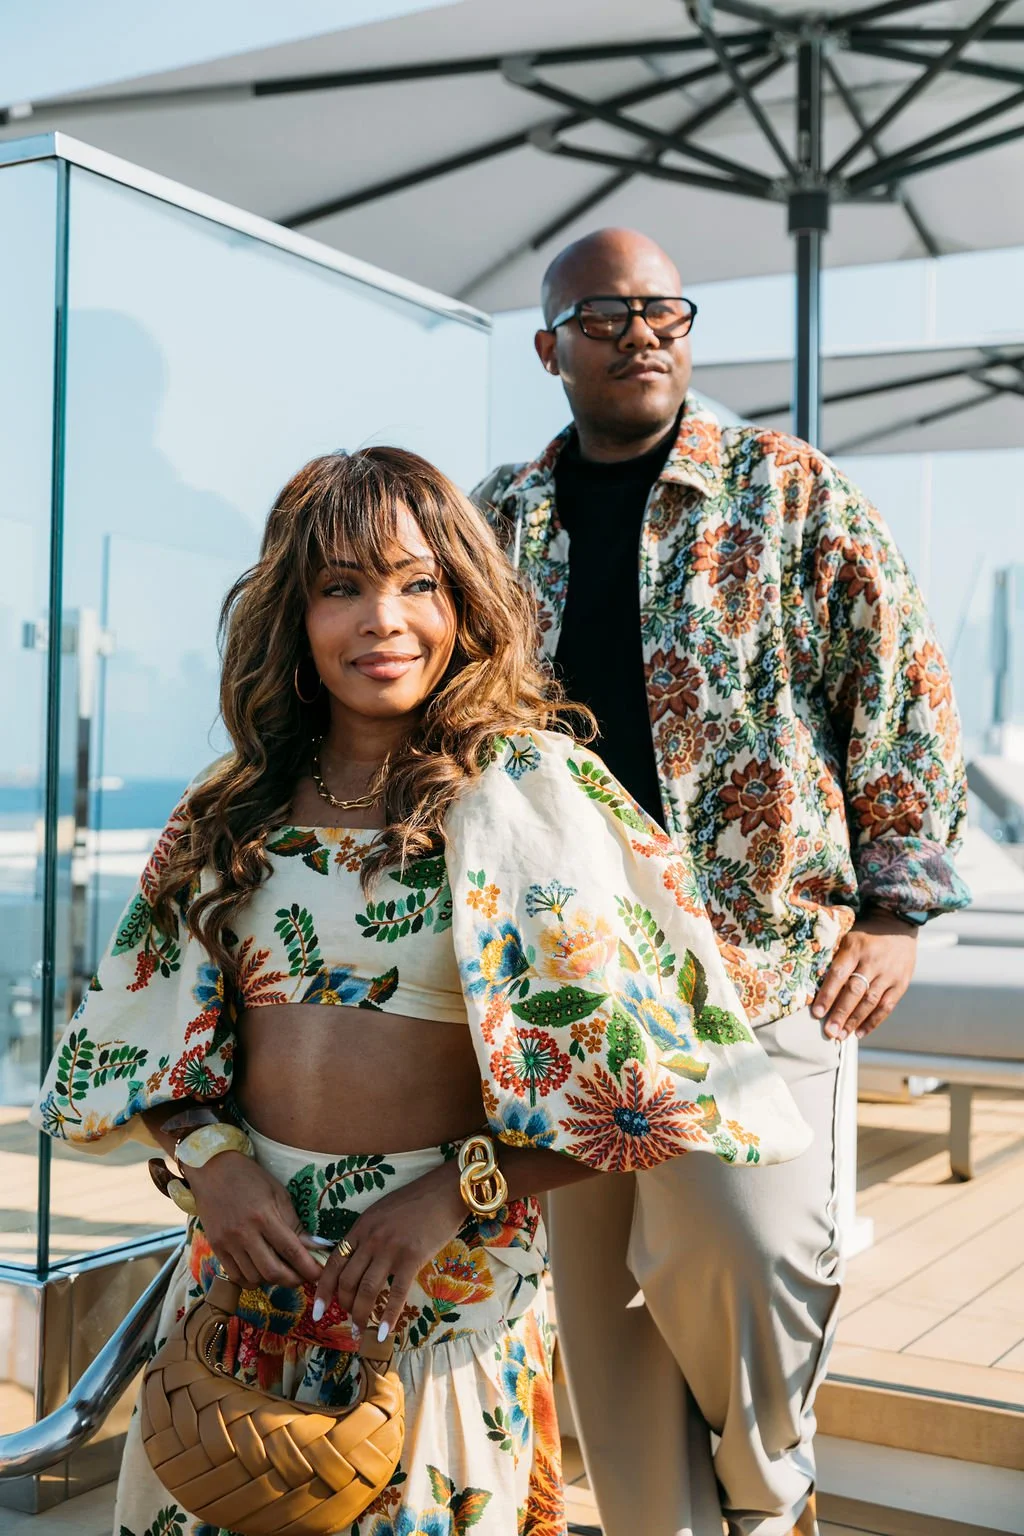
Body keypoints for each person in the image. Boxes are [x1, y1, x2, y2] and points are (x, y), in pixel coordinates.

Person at [32, 447, 811, 1536]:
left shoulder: (533, 793)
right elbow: (137, 1044)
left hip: (440, 1302)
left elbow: (648, 1095)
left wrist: (455, 1193)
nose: (382, 621)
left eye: (417, 584)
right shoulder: (230, 807)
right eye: (341, 587)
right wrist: (212, 1165)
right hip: (239, 1301)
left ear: (465, 602)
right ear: (294, 616)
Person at [472, 228, 970, 1536]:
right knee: (604, 1325)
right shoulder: (496, 520)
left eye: (663, 310)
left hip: (762, 958)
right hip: (567, 977)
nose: (640, 333)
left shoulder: (791, 492)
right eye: (603, 315)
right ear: (549, 348)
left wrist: (896, 908)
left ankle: (765, 1501)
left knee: (749, 1250)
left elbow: (901, 694)